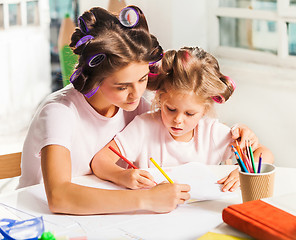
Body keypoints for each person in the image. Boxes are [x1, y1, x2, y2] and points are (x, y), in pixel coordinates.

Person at [17, 6, 191, 215]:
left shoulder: (135, 106)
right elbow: (59, 197)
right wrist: (146, 199)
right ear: (95, 79)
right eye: (122, 86)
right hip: (39, 219)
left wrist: (233, 136)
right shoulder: (59, 112)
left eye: (142, 79)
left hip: (103, 218)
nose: (136, 93)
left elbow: (182, 140)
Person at [91, 47, 274, 193]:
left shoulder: (211, 132)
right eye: (171, 109)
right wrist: (122, 175)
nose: (178, 120)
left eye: (189, 114)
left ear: (204, 110)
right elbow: (100, 161)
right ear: (160, 99)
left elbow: (264, 154)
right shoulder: (144, 127)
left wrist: (244, 173)